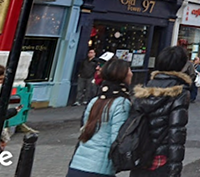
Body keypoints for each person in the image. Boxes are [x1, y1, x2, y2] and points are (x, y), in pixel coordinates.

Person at [131, 45, 191, 177]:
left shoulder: (144, 89)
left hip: (140, 153)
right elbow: (176, 132)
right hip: (161, 157)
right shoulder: (179, 92)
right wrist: (175, 169)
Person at [67, 58, 132, 177]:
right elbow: (118, 140)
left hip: (77, 165)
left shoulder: (94, 101)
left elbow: (84, 128)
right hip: (99, 168)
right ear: (122, 75)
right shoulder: (121, 103)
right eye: (129, 70)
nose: (131, 73)